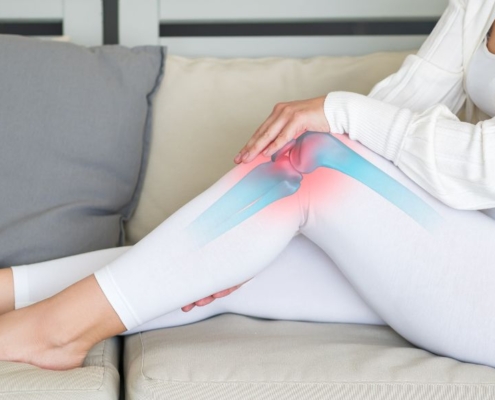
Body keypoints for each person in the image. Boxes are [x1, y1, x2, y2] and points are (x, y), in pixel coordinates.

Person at [0, 0, 494, 371]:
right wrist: (251, 233)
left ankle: (57, 333)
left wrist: (340, 111)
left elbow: (482, 163)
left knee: (314, 163)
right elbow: (407, 99)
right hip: (460, 249)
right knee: (241, 245)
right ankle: (9, 292)